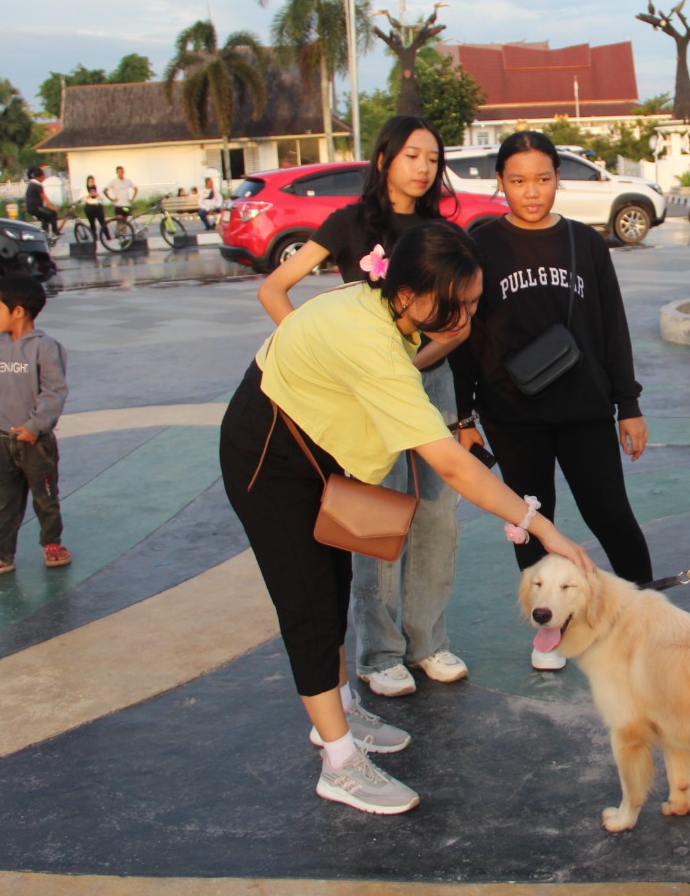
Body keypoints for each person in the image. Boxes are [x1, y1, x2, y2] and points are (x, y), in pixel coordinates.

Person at [219, 221, 597, 815]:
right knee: (308, 605)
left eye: (475, 301)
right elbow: (451, 465)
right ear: (414, 294)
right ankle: (339, 765)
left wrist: (459, 324)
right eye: (461, 303)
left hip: (313, 446)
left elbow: (419, 365)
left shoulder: (385, 306)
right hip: (270, 456)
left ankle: (338, 714)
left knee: (334, 584)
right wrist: (541, 524)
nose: (471, 314)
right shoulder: (369, 340)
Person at [257, 115, 471, 699]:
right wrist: (320, 354)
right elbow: (274, 288)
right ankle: (380, 654)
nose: (424, 168)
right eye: (411, 156)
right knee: (378, 517)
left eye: (432, 158)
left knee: (436, 515)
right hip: (368, 394)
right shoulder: (350, 223)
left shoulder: (439, 231)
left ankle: (427, 641)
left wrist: (428, 362)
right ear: (384, 160)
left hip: (432, 383)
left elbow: (459, 323)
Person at [451, 131, 654, 671]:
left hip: (584, 410)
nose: (532, 192)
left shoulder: (584, 243)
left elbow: (613, 325)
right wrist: (463, 415)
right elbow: (464, 333)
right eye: (518, 181)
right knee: (529, 522)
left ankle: (644, 621)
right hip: (511, 416)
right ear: (500, 183)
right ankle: (552, 633)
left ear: (558, 179)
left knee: (611, 516)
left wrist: (627, 404)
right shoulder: (481, 246)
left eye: (543, 179)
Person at [0, 272, 71, 583]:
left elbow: (55, 390)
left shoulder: (45, 348)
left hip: (34, 443)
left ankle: (52, 545)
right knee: (4, 502)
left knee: (45, 497)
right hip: (0, 442)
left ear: (18, 311)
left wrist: (35, 426)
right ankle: (0, 555)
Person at [23, 166, 60, 238]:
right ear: (39, 177)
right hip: (35, 208)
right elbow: (45, 198)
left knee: (46, 218)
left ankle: (44, 236)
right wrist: (52, 208)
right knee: (53, 214)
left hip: (32, 208)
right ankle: (55, 233)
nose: (44, 178)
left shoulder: (32, 184)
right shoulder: (37, 185)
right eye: (43, 176)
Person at [81, 176, 108, 243]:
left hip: (97, 206)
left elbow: (102, 198)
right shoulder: (84, 189)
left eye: (92, 181)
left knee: (103, 223)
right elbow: (82, 199)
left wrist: (98, 196)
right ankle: (94, 239)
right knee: (92, 224)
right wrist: (88, 196)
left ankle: (108, 237)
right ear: (87, 182)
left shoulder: (97, 188)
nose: (91, 183)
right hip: (89, 207)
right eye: (89, 181)